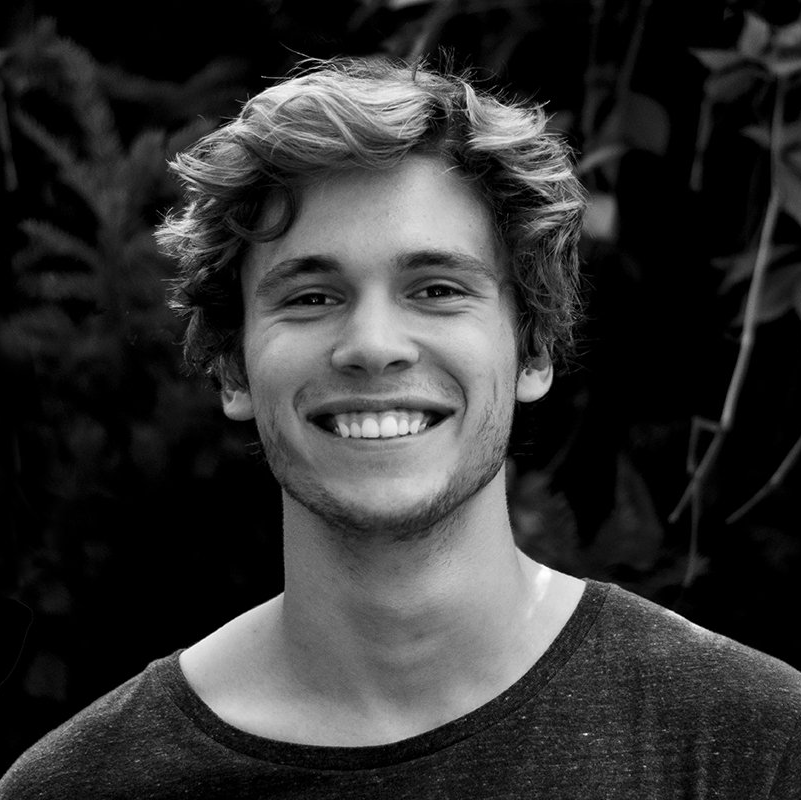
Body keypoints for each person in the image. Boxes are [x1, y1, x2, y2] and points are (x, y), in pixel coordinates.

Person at [2, 55, 800, 799]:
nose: (373, 347)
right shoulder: (80, 784)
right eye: (310, 297)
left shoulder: (755, 746)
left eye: (437, 288)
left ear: (531, 348)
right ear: (233, 367)